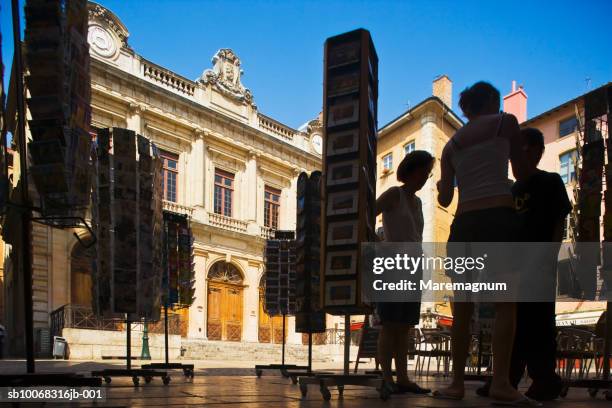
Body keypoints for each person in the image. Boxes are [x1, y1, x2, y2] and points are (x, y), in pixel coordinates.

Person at [436, 81, 534, 404]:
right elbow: (520, 172)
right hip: (497, 219)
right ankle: (501, 383)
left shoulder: (450, 146)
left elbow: (446, 197)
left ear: (466, 109)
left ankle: (456, 384)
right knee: (506, 303)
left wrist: (443, 183)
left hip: (464, 225)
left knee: (461, 308)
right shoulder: (505, 123)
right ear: (493, 101)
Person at [477, 127, 571, 400]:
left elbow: (558, 222)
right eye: (511, 157)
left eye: (520, 154)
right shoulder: (511, 189)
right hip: (511, 266)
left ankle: (545, 379)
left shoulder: (550, 182)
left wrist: (550, 258)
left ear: (537, 152)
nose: (514, 161)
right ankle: (504, 379)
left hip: (539, 265)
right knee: (511, 324)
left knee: (539, 324)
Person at [375, 150, 433, 395]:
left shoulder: (418, 202)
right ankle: (387, 377)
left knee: (404, 325)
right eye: (424, 172)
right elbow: (367, 215)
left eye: (428, 173)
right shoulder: (393, 194)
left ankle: (403, 377)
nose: (426, 178)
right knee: (389, 324)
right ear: (411, 170)